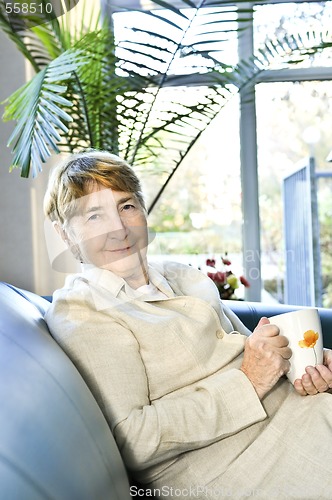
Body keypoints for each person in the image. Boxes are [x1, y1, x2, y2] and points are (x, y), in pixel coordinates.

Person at [44, 150, 332, 500]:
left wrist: (304, 366)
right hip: (239, 464)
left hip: (299, 414)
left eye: (127, 207)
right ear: (65, 234)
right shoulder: (82, 311)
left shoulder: (181, 275)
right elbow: (133, 439)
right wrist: (250, 381)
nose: (119, 229)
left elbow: (251, 351)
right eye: (94, 216)